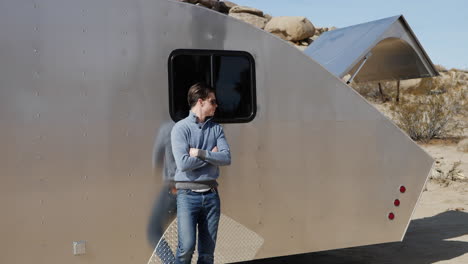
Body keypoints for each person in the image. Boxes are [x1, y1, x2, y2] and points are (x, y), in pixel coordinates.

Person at [171, 82, 231, 264]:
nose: (216, 105)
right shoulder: (181, 128)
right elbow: (183, 163)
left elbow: (226, 158)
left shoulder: (216, 129)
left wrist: (199, 153)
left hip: (212, 196)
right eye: (213, 101)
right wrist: (212, 155)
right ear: (201, 102)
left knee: (207, 253)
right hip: (187, 196)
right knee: (186, 248)